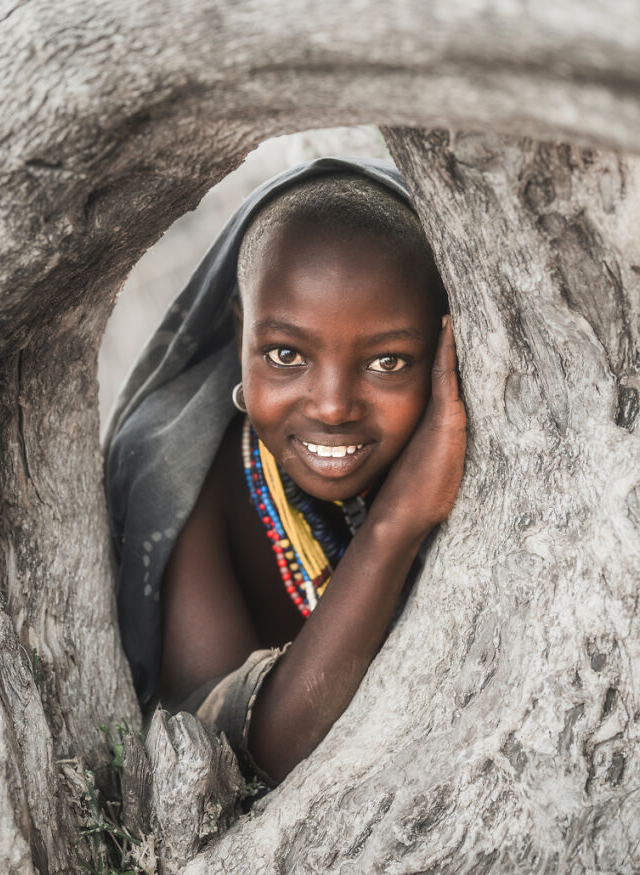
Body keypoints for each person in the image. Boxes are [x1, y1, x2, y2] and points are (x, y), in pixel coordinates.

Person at [104, 156, 466, 790]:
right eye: (285, 354)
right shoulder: (183, 476)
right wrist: (396, 523)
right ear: (242, 336)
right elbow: (249, 751)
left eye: (388, 362)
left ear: (445, 351)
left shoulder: (489, 454)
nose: (331, 405)